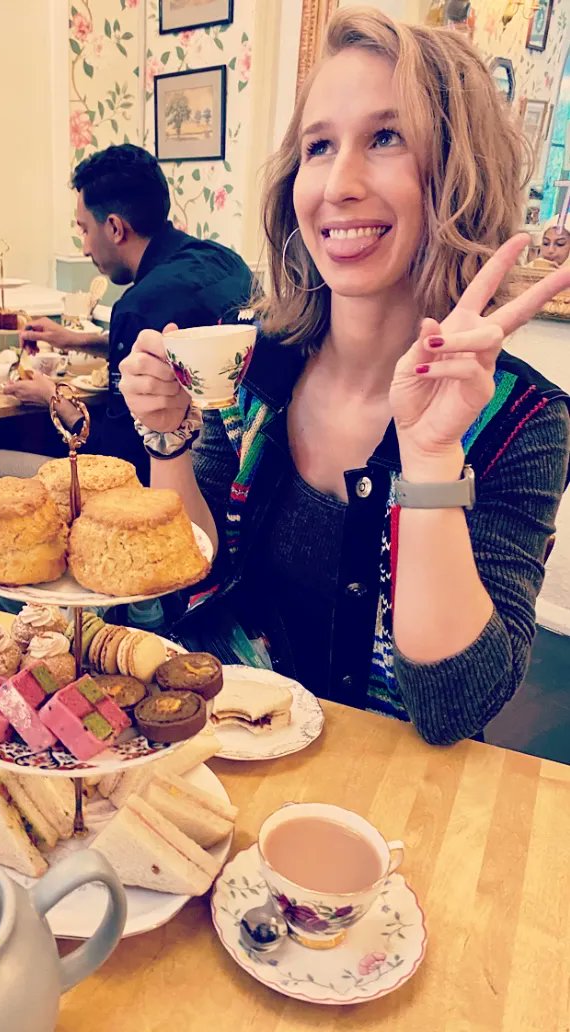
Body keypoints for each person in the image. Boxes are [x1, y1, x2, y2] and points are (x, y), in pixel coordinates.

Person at [118, 9, 570, 745]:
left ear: (458, 172)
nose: (339, 183)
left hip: (383, 804)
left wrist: (428, 460)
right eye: (318, 146)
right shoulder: (253, 366)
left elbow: (453, 708)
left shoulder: (521, 421)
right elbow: (187, 594)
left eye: (386, 138)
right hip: (230, 751)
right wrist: (167, 440)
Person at [0, 143, 253, 485]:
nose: (84, 247)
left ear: (115, 228)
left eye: (84, 229)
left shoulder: (139, 305)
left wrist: (52, 399)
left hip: (159, 488)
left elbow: (115, 456)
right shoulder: (223, 260)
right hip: (241, 475)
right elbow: (177, 349)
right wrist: (77, 340)